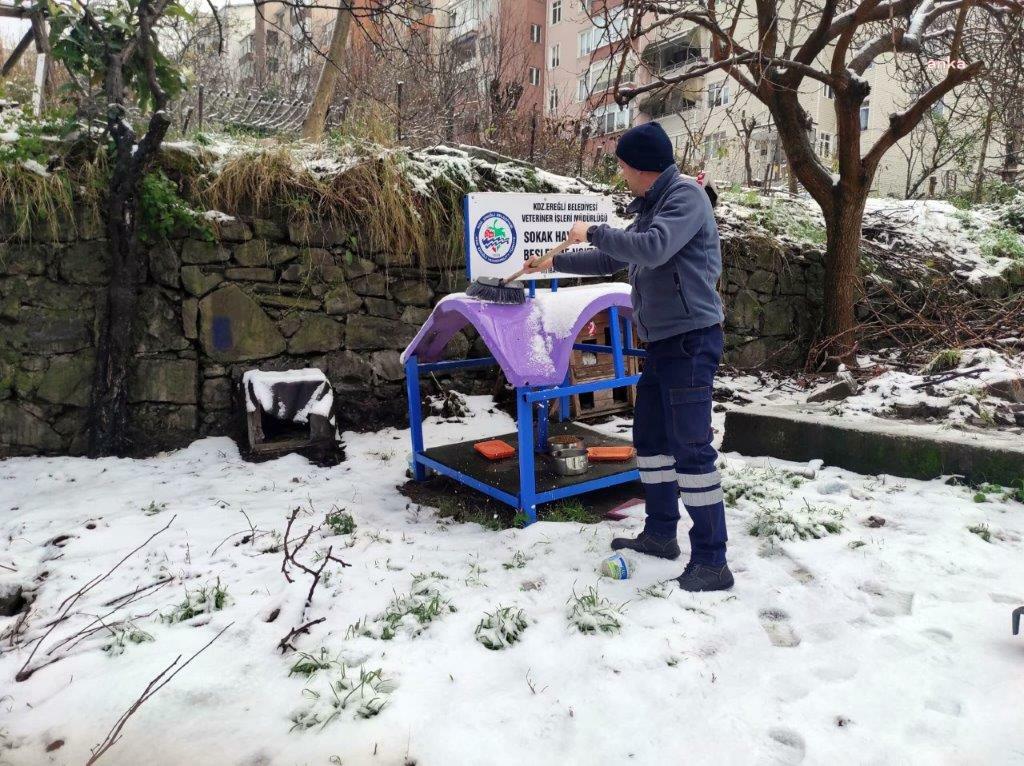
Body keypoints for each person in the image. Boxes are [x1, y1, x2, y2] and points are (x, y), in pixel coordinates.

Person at [523, 121, 732, 592]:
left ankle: (713, 560)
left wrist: (594, 230)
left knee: (691, 449)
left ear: (640, 167)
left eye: (621, 165)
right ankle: (660, 534)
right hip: (662, 343)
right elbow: (613, 258)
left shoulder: (685, 199)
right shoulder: (653, 205)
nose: (619, 173)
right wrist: (553, 261)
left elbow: (653, 250)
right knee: (652, 440)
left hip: (692, 340)